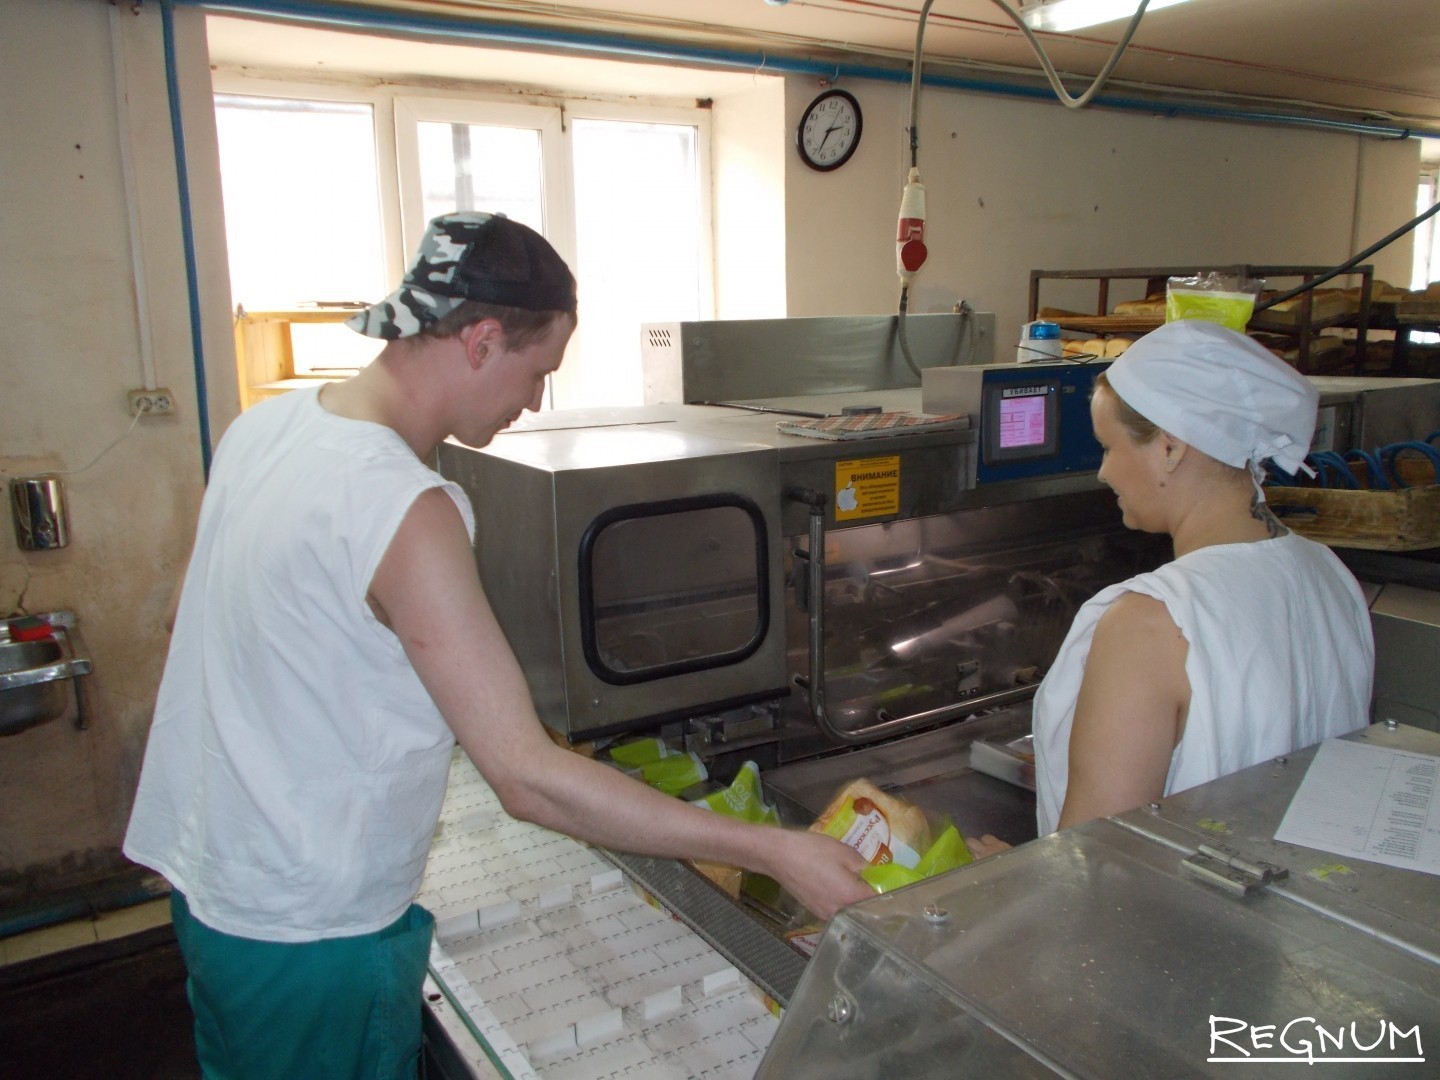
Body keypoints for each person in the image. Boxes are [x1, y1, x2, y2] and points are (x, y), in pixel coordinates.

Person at [123, 211, 870, 1080]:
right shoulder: (402, 504)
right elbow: (524, 777)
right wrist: (775, 849)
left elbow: (201, 630)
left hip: (215, 889)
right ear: (481, 340)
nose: (535, 402)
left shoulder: (265, 430)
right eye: (539, 370)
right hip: (312, 929)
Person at [1028, 318, 1374, 836]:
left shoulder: (1149, 624)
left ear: (1170, 447)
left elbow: (1097, 868)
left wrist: (1011, 878)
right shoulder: (1331, 575)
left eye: (1109, 446)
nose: (1103, 472)